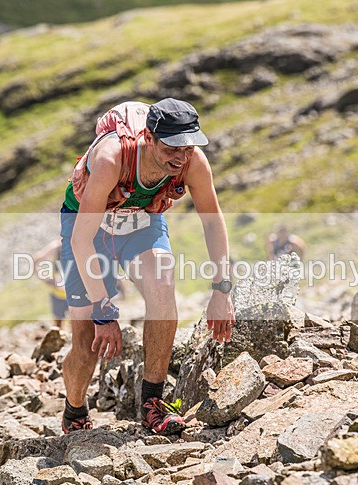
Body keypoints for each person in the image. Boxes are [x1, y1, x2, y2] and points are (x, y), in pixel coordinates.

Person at [59, 98, 235, 435]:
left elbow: (213, 223)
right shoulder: (112, 158)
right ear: (149, 137)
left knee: (162, 287)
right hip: (88, 230)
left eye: (188, 146)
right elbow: (81, 240)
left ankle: (152, 403)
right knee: (86, 343)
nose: (181, 156)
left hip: (141, 221)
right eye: (172, 147)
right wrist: (105, 311)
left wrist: (221, 290)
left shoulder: (192, 162)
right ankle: (75, 407)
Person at [33, 239, 69, 329]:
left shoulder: (79, 244)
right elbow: (36, 260)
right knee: (58, 325)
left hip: (76, 294)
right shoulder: (56, 247)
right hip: (59, 294)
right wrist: (48, 280)